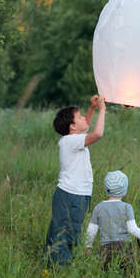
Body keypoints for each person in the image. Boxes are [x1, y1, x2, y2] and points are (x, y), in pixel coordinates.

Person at [45, 95, 106, 266]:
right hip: (70, 196)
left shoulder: (72, 139)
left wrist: (92, 108)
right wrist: (102, 109)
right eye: (79, 118)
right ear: (72, 127)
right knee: (63, 235)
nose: (83, 119)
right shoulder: (69, 141)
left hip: (78, 196)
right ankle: (58, 269)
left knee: (70, 233)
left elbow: (84, 127)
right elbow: (97, 134)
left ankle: (55, 265)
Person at [85, 170, 140, 272]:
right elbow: (132, 229)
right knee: (129, 274)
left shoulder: (99, 207)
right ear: (124, 190)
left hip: (105, 248)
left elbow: (91, 230)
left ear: (106, 189)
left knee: (107, 274)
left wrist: (87, 246)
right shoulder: (126, 207)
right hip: (124, 247)